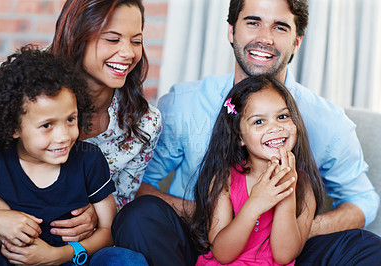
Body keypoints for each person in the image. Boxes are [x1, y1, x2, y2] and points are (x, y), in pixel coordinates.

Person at [113, 0, 381, 265]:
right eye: (253, 22)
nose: (265, 38)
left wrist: (291, 228)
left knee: (366, 247)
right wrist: (222, 216)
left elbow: (362, 201)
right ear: (231, 30)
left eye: (280, 27)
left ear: (297, 41)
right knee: (138, 217)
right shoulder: (185, 102)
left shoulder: (328, 121)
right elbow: (139, 187)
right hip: (204, 242)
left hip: (286, 248)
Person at [0, 0, 161, 246]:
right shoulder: (10, 84)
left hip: (72, 246)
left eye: (137, 41)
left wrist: (96, 216)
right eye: (112, 39)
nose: (129, 53)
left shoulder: (144, 123)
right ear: (77, 36)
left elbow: (122, 203)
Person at [0, 46, 147, 265]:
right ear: (13, 127)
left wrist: (57, 255)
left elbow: (108, 232)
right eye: (47, 125)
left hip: (70, 259)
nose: (63, 136)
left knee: (124, 259)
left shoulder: (88, 159)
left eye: (70, 119)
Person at [191, 75, 325, 265]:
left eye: (282, 116)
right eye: (259, 122)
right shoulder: (225, 179)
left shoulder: (303, 185)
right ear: (239, 137)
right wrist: (255, 204)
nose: (275, 127)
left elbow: (284, 255)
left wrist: (286, 190)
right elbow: (222, 253)